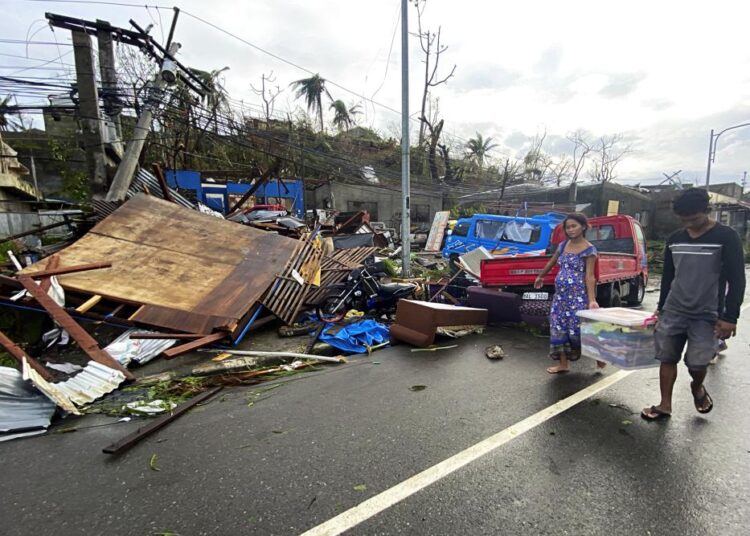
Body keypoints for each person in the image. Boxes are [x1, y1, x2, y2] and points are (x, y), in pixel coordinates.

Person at [642, 188, 745, 420]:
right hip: (673, 310)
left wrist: (730, 317)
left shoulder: (726, 237)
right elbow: (668, 276)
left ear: (708, 211)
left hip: (707, 314)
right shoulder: (675, 239)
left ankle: (697, 387)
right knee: (666, 357)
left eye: (694, 219)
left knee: (697, 364)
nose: (690, 225)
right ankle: (664, 404)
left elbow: (737, 279)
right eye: (684, 220)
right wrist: (661, 307)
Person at [534, 213, 604, 374]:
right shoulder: (563, 245)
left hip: (578, 297)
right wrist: (541, 276)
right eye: (568, 227)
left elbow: (590, 276)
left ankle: (599, 357)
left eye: (574, 226)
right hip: (560, 297)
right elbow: (552, 262)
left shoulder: (589, 250)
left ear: (584, 227)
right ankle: (563, 364)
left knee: (579, 330)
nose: (570, 230)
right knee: (558, 328)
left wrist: (592, 300)